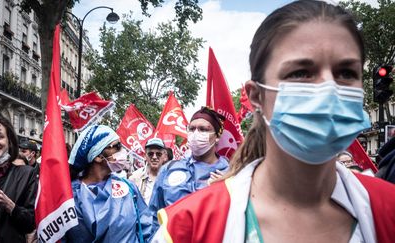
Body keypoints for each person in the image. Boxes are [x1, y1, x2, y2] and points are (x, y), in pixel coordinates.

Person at [151, 1, 395, 243]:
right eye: (300, 72)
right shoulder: (188, 227)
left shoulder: (388, 210)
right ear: (256, 96)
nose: (328, 88)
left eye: (346, 73)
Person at [63, 124, 152, 243]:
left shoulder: (128, 188)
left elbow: (148, 229)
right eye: (117, 146)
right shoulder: (69, 197)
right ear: (98, 156)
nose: (123, 151)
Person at [148, 106, 229, 231]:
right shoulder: (168, 169)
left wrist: (226, 190)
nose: (196, 134)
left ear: (217, 136)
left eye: (203, 129)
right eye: (192, 129)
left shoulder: (230, 174)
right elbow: (154, 216)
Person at [129, 138, 167, 204]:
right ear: (145, 156)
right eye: (150, 154)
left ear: (164, 156)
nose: (154, 157)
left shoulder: (170, 177)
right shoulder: (134, 178)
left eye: (158, 154)